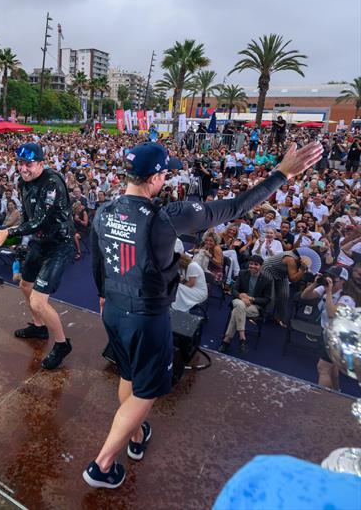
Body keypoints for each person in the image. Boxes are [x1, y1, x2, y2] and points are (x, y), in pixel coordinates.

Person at [86, 140, 323, 489]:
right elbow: (236, 207)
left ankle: (135, 436)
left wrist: (103, 295)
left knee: (130, 374)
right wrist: (281, 174)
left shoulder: (104, 209)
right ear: (155, 177)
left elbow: (97, 260)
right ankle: (102, 465)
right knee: (145, 392)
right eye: (165, 173)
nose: (166, 179)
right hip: (147, 317)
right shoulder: (165, 217)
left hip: (114, 310)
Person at [0, 142, 75, 370]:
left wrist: (8, 231)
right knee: (25, 285)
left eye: (28, 164)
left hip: (59, 244)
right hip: (40, 241)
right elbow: (29, 219)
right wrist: (14, 239)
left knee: (39, 300)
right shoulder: (22, 183)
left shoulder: (52, 184)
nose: (23, 169)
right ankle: (38, 326)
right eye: (20, 164)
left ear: (41, 163)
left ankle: (61, 343)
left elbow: (40, 220)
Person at [301, 266, 356, 390]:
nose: (329, 279)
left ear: (342, 281)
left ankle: (323, 399)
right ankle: (337, 392)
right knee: (333, 369)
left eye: (333, 277)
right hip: (326, 333)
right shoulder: (324, 289)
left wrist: (329, 292)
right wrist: (315, 283)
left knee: (323, 368)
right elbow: (305, 296)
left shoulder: (347, 299)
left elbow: (332, 314)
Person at [218, 255, 272, 354]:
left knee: (236, 311)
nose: (252, 266)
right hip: (239, 300)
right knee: (240, 305)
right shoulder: (243, 273)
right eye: (251, 264)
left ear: (261, 266)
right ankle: (242, 339)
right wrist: (240, 295)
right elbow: (233, 289)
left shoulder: (267, 280)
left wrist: (252, 299)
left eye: (256, 264)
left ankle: (226, 341)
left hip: (254, 306)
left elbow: (267, 300)